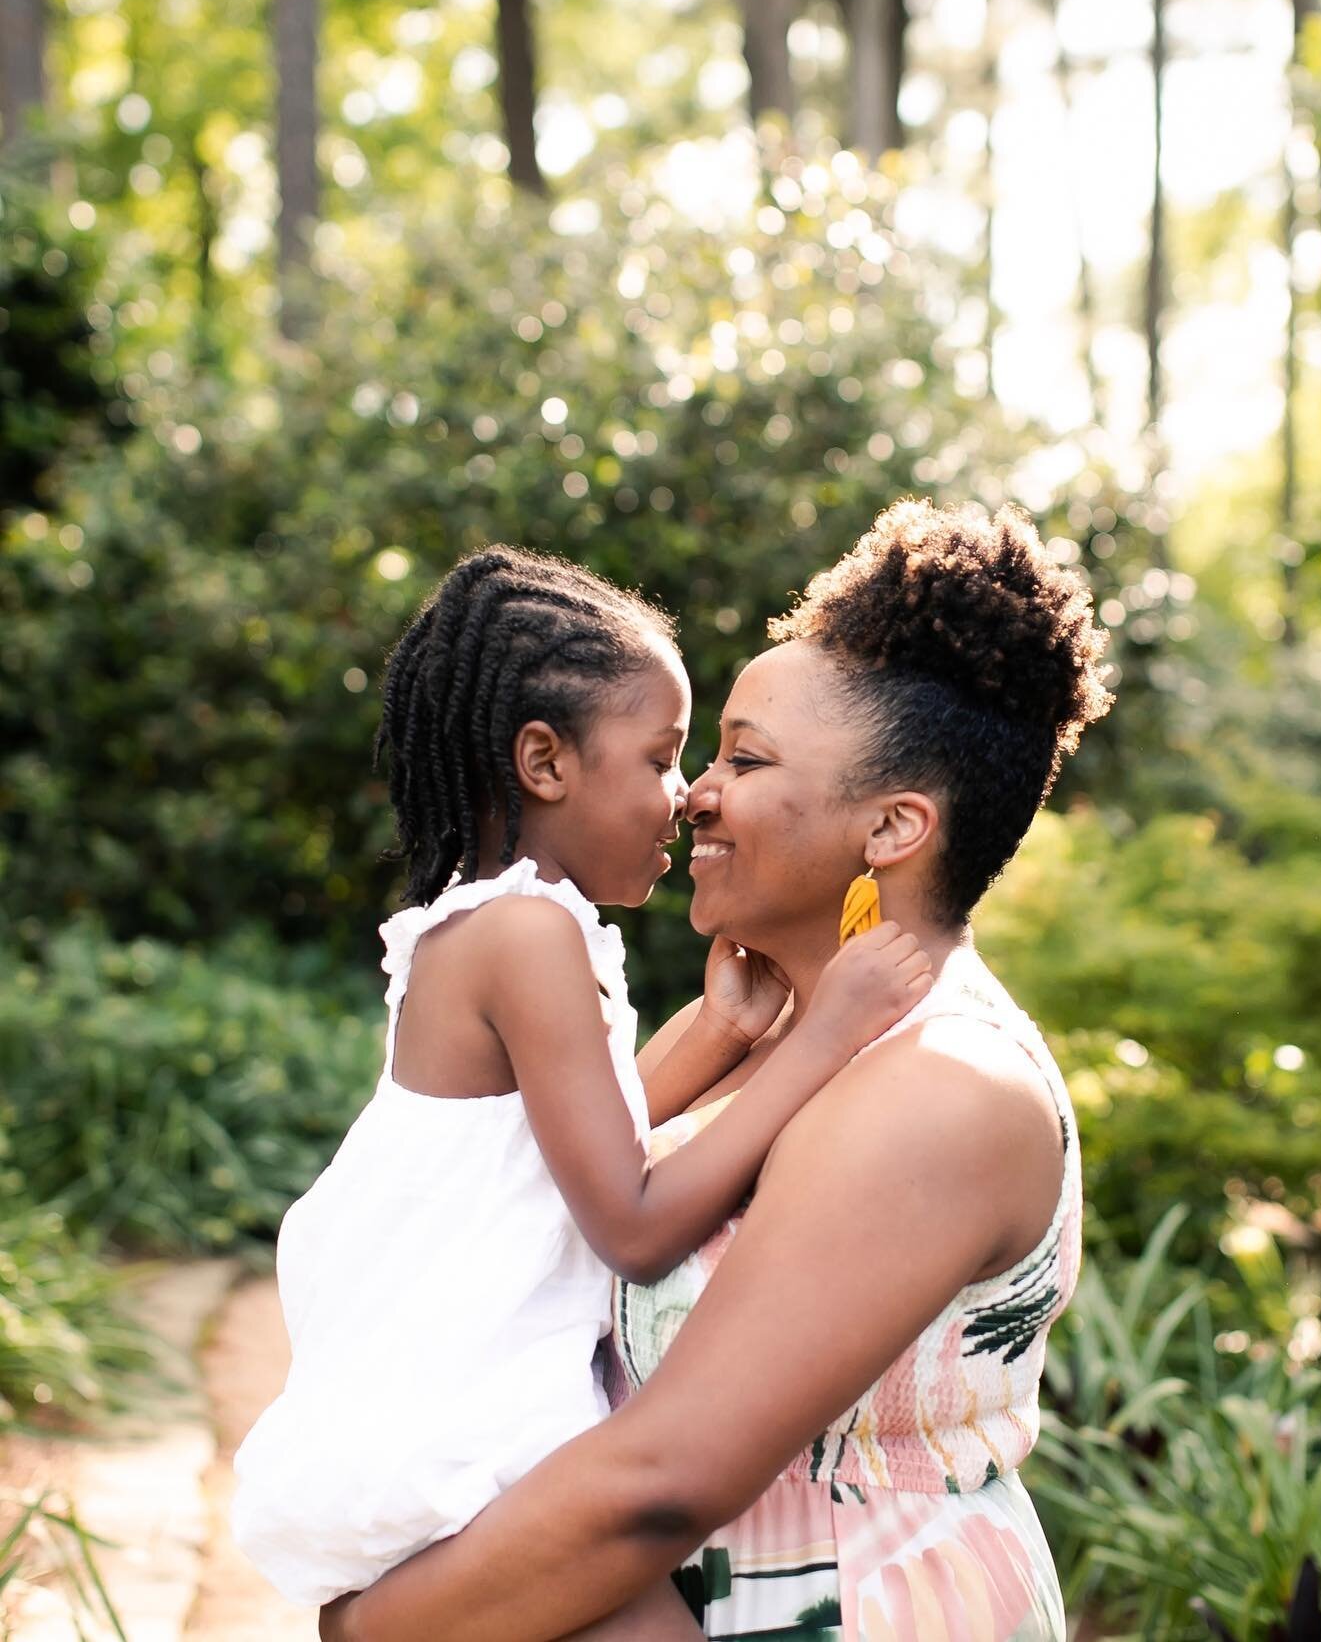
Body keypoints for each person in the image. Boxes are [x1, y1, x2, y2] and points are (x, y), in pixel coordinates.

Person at [321, 498, 1115, 1642]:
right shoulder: (775, 1033)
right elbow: (537, 1204)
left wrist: (370, 1627)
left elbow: (664, 1481)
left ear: (892, 830)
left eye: (741, 758)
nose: (693, 790)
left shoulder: (939, 1087)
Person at [230, 544, 933, 1638]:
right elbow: (632, 1223)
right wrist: (823, 1035)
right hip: (477, 1427)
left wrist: (726, 1037)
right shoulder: (525, 934)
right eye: (661, 758)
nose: (686, 795)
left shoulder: (505, 923)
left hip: (463, 1405)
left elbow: (550, 1150)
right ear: (546, 763)